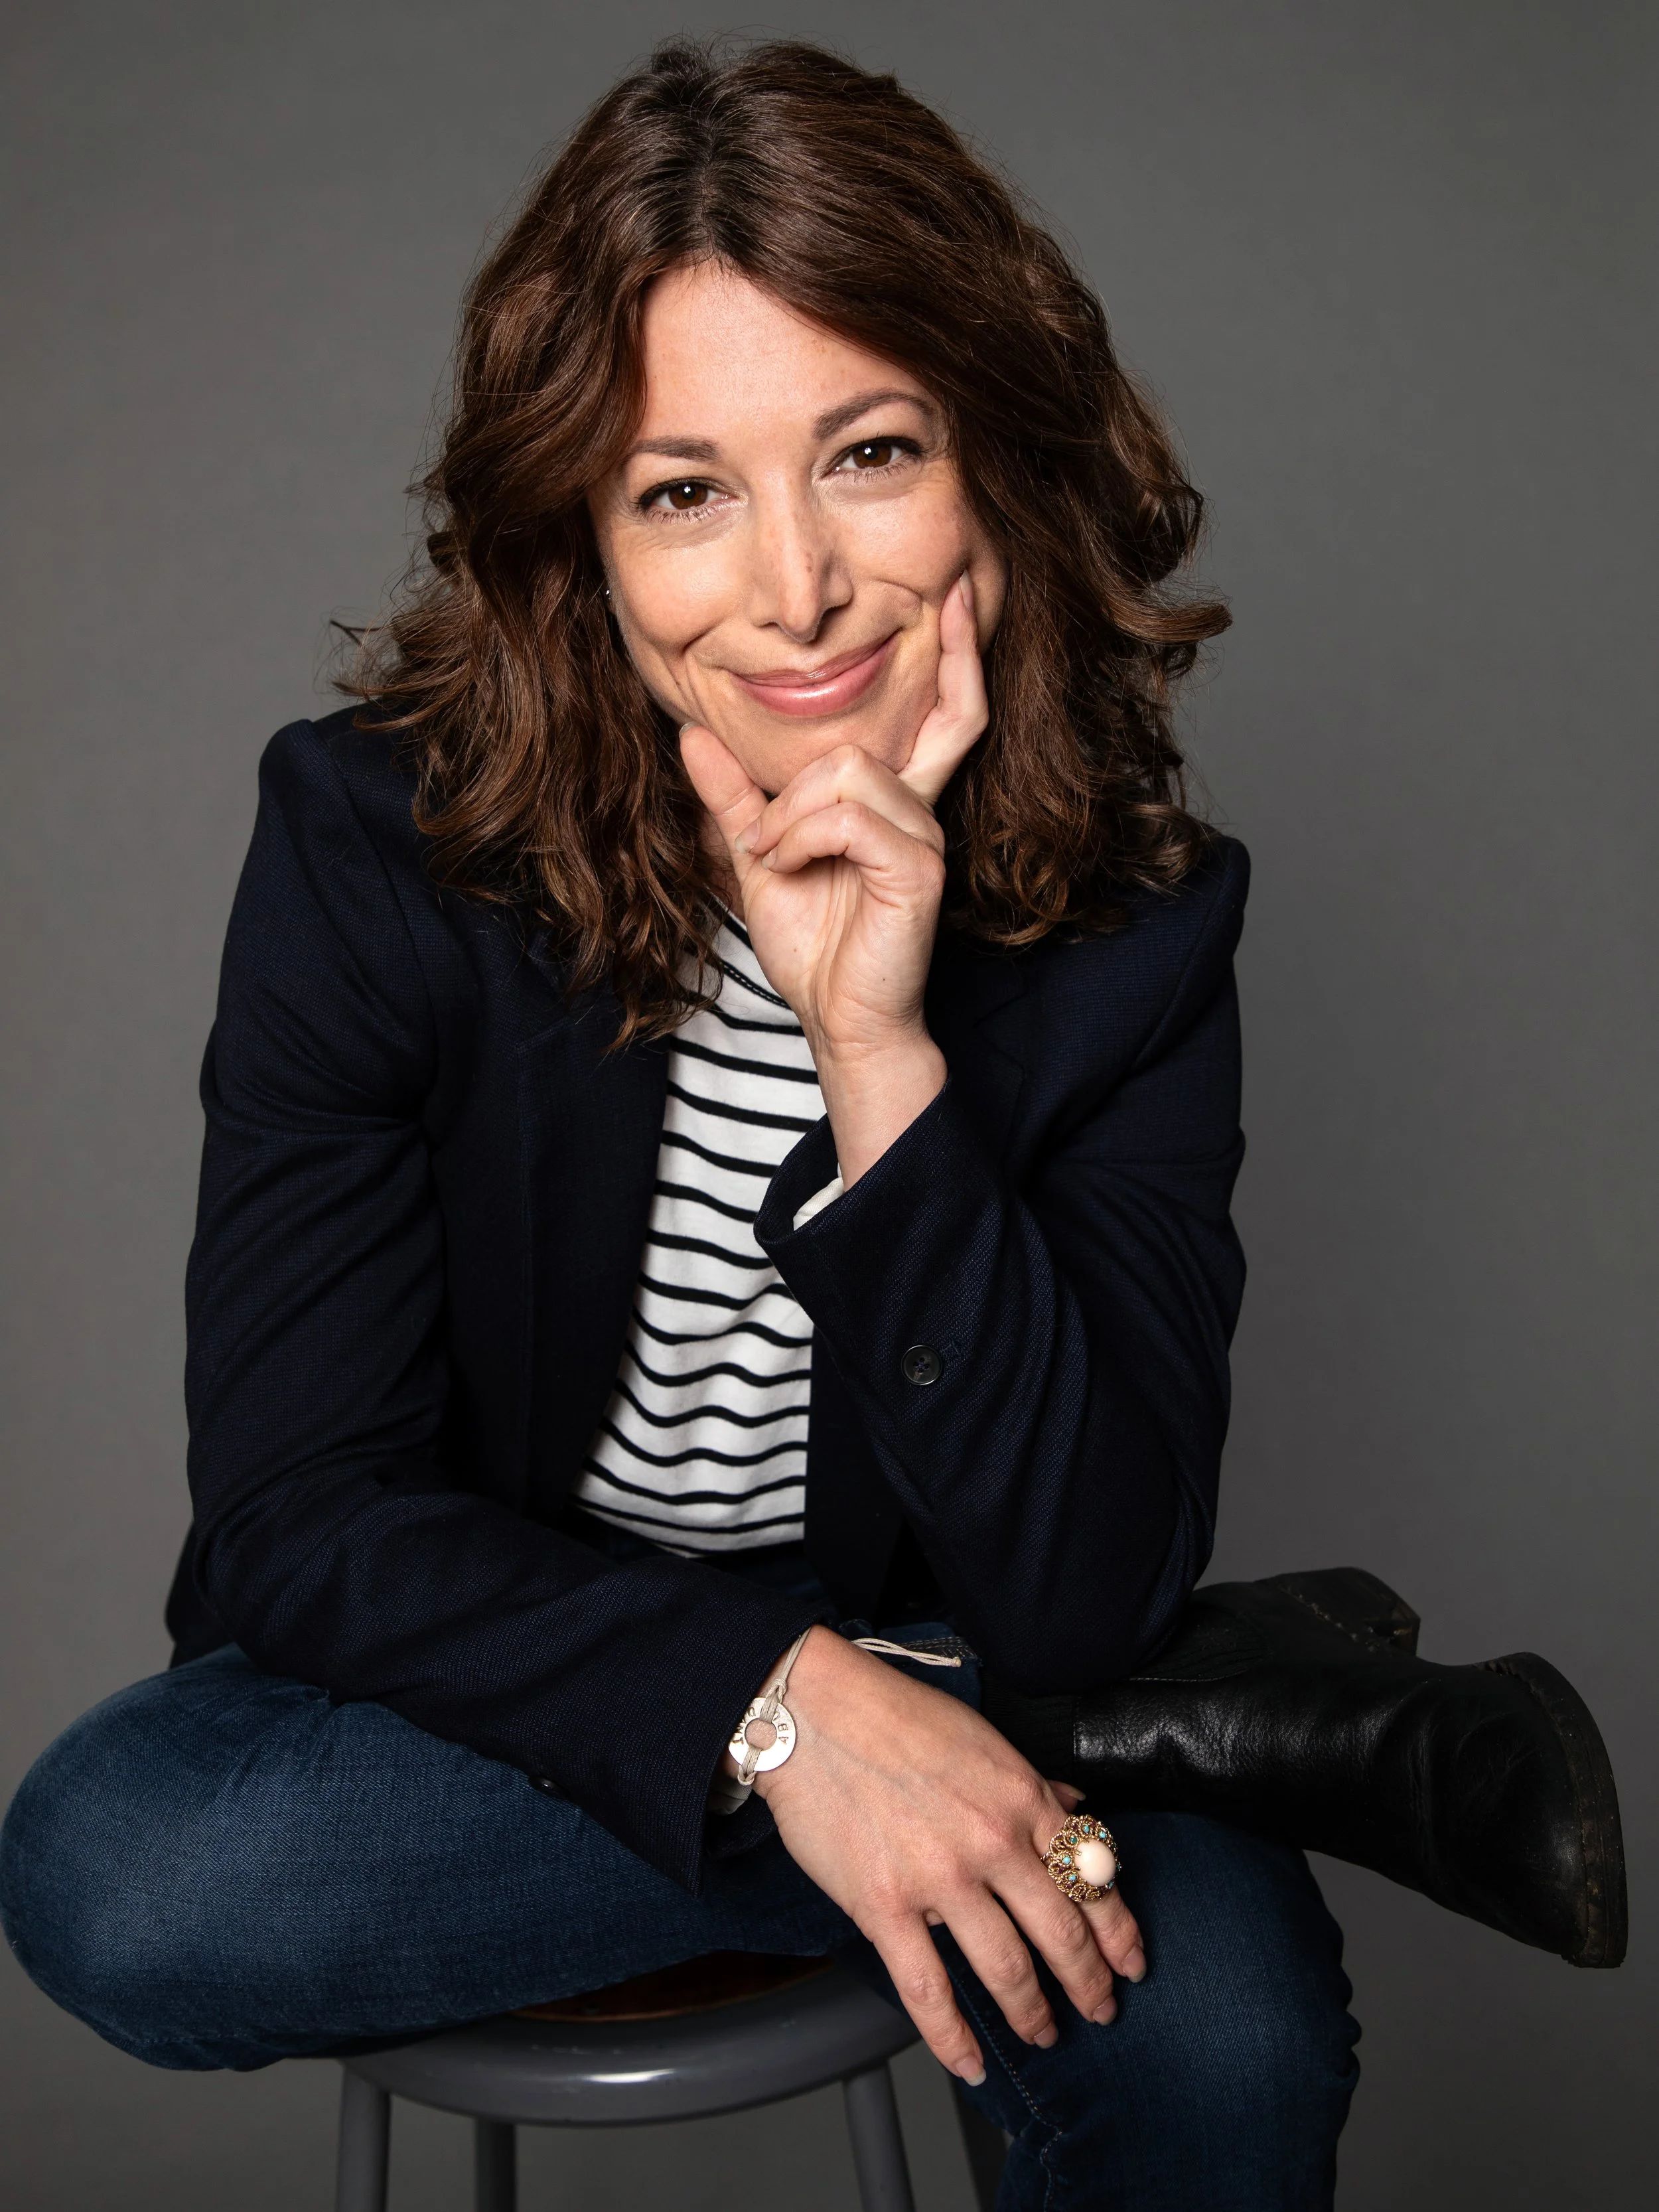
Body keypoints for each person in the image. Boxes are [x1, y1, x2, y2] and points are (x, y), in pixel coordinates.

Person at [0, 39, 1359, 2208]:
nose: (795, 586)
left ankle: (966, 1776)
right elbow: (301, 1515)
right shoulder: (375, 848)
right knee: (131, 1870)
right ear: (584, 540)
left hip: (972, 1658)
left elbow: (1083, 1581)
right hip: (484, 1706)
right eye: (683, 491)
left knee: (1225, 2032)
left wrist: (878, 1054)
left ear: (995, 467)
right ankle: (1087, 1765)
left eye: (871, 453)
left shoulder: (1135, 930)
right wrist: (793, 1720)